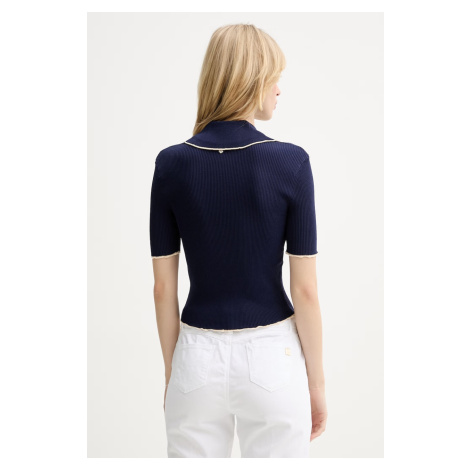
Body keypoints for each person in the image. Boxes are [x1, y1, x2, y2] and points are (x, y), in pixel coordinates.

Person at [150, 23, 327, 458]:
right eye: (274, 77)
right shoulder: (291, 162)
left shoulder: (170, 165)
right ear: (251, 79)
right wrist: (316, 384)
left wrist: (175, 372)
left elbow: (162, 289)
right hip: (272, 358)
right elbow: (305, 290)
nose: (279, 89)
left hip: (195, 357)